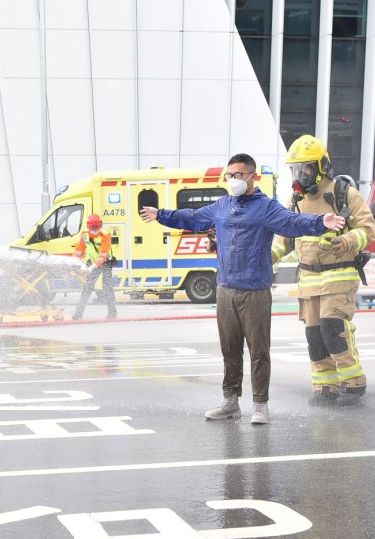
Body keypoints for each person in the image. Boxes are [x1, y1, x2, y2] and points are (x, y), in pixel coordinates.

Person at [140, 153, 345, 424]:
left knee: (259, 351)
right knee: (230, 349)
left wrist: (320, 223)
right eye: (229, 175)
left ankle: (260, 405)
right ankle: (230, 402)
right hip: (225, 289)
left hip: (255, 291)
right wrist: (160, 215)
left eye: (238, 175)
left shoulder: (266, 207)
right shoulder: (222, 206)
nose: (233, 179)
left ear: (252, 176)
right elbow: (192, 218)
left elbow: (292, 222)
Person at [274, 135, 375, 406]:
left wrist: (346, 241)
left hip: (339, 275)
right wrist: (270, 255)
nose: (300, 175)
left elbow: (367, 230)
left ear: (321, 167)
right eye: (295, 170)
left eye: (305, 168)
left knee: (334, 330)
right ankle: (325, 385)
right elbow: (284, 236)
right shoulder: (295, 199)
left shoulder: (344, 193)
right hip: (308, 279)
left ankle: (354, 381)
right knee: (314, 336)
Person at [72, 213, 117, 321]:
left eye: (96, 227)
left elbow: (103, 254)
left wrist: (92, 267)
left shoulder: (105, 235)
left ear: (100, 225)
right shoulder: (85, 235)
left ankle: (112, 313)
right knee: (87, 287)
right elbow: (79, 251)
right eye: (92, 227)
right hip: (93, 263)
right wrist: (74, 263)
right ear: (88, 226)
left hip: (106, 262)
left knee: (107, 287)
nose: (94, 230)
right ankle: (78, 313)